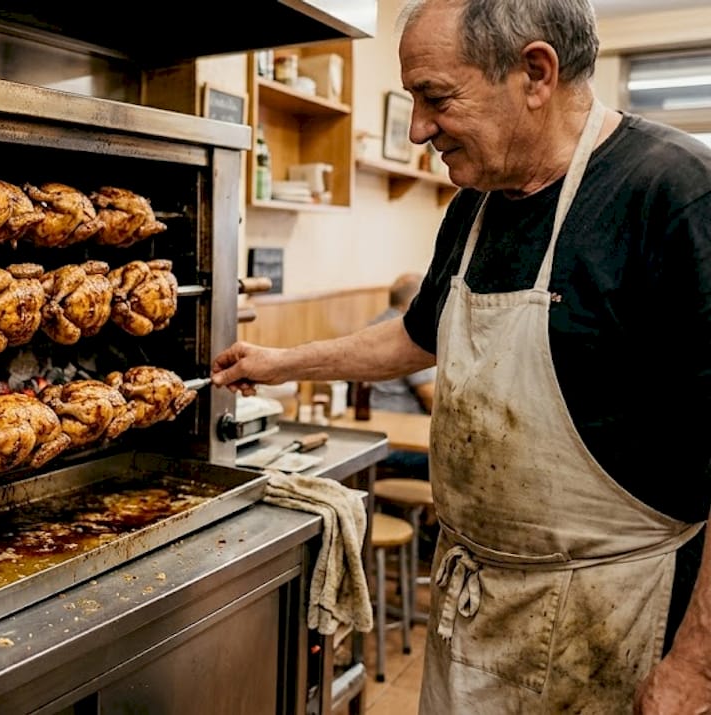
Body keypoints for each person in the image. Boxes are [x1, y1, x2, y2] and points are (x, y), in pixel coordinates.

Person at [211, 0, 711, 711]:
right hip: (474, 612)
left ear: (535, 73)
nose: (418, 129)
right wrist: (280, 361)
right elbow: (419, 335)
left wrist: (697, 668)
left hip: (613, 623)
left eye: (435, 98)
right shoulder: (475, 206)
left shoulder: (675, 195)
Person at [367, 272, 435, 477]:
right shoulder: (408, 332)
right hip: (398, 439)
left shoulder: (374, 326)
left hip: (375, 432)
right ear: (418, 301)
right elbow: (429, 395)